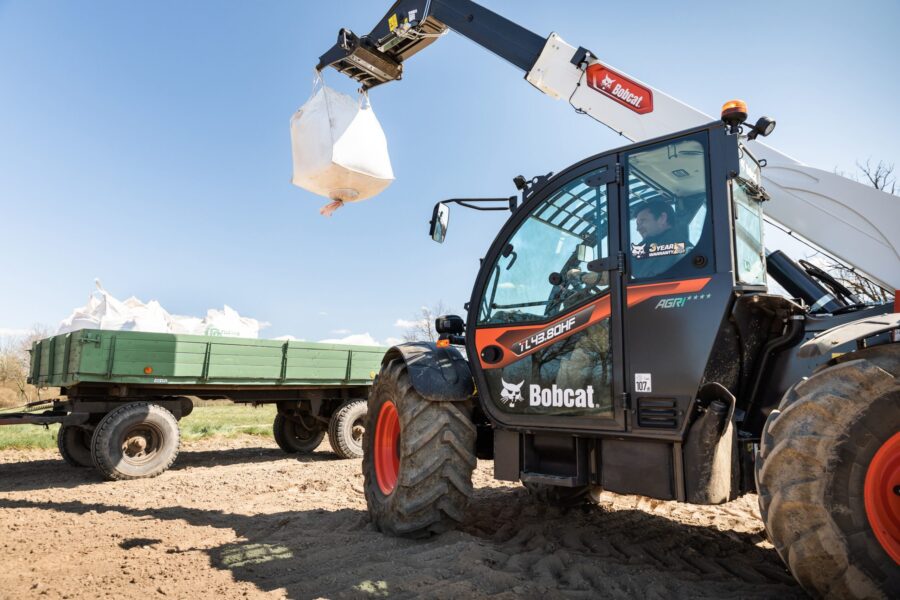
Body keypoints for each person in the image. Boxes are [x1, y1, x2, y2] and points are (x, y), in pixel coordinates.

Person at [630, 201, 688, 279]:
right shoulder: (643, 250)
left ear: (662, 219)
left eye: (642, 221)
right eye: (637, 224)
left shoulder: (681, 249)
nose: (638, 229)